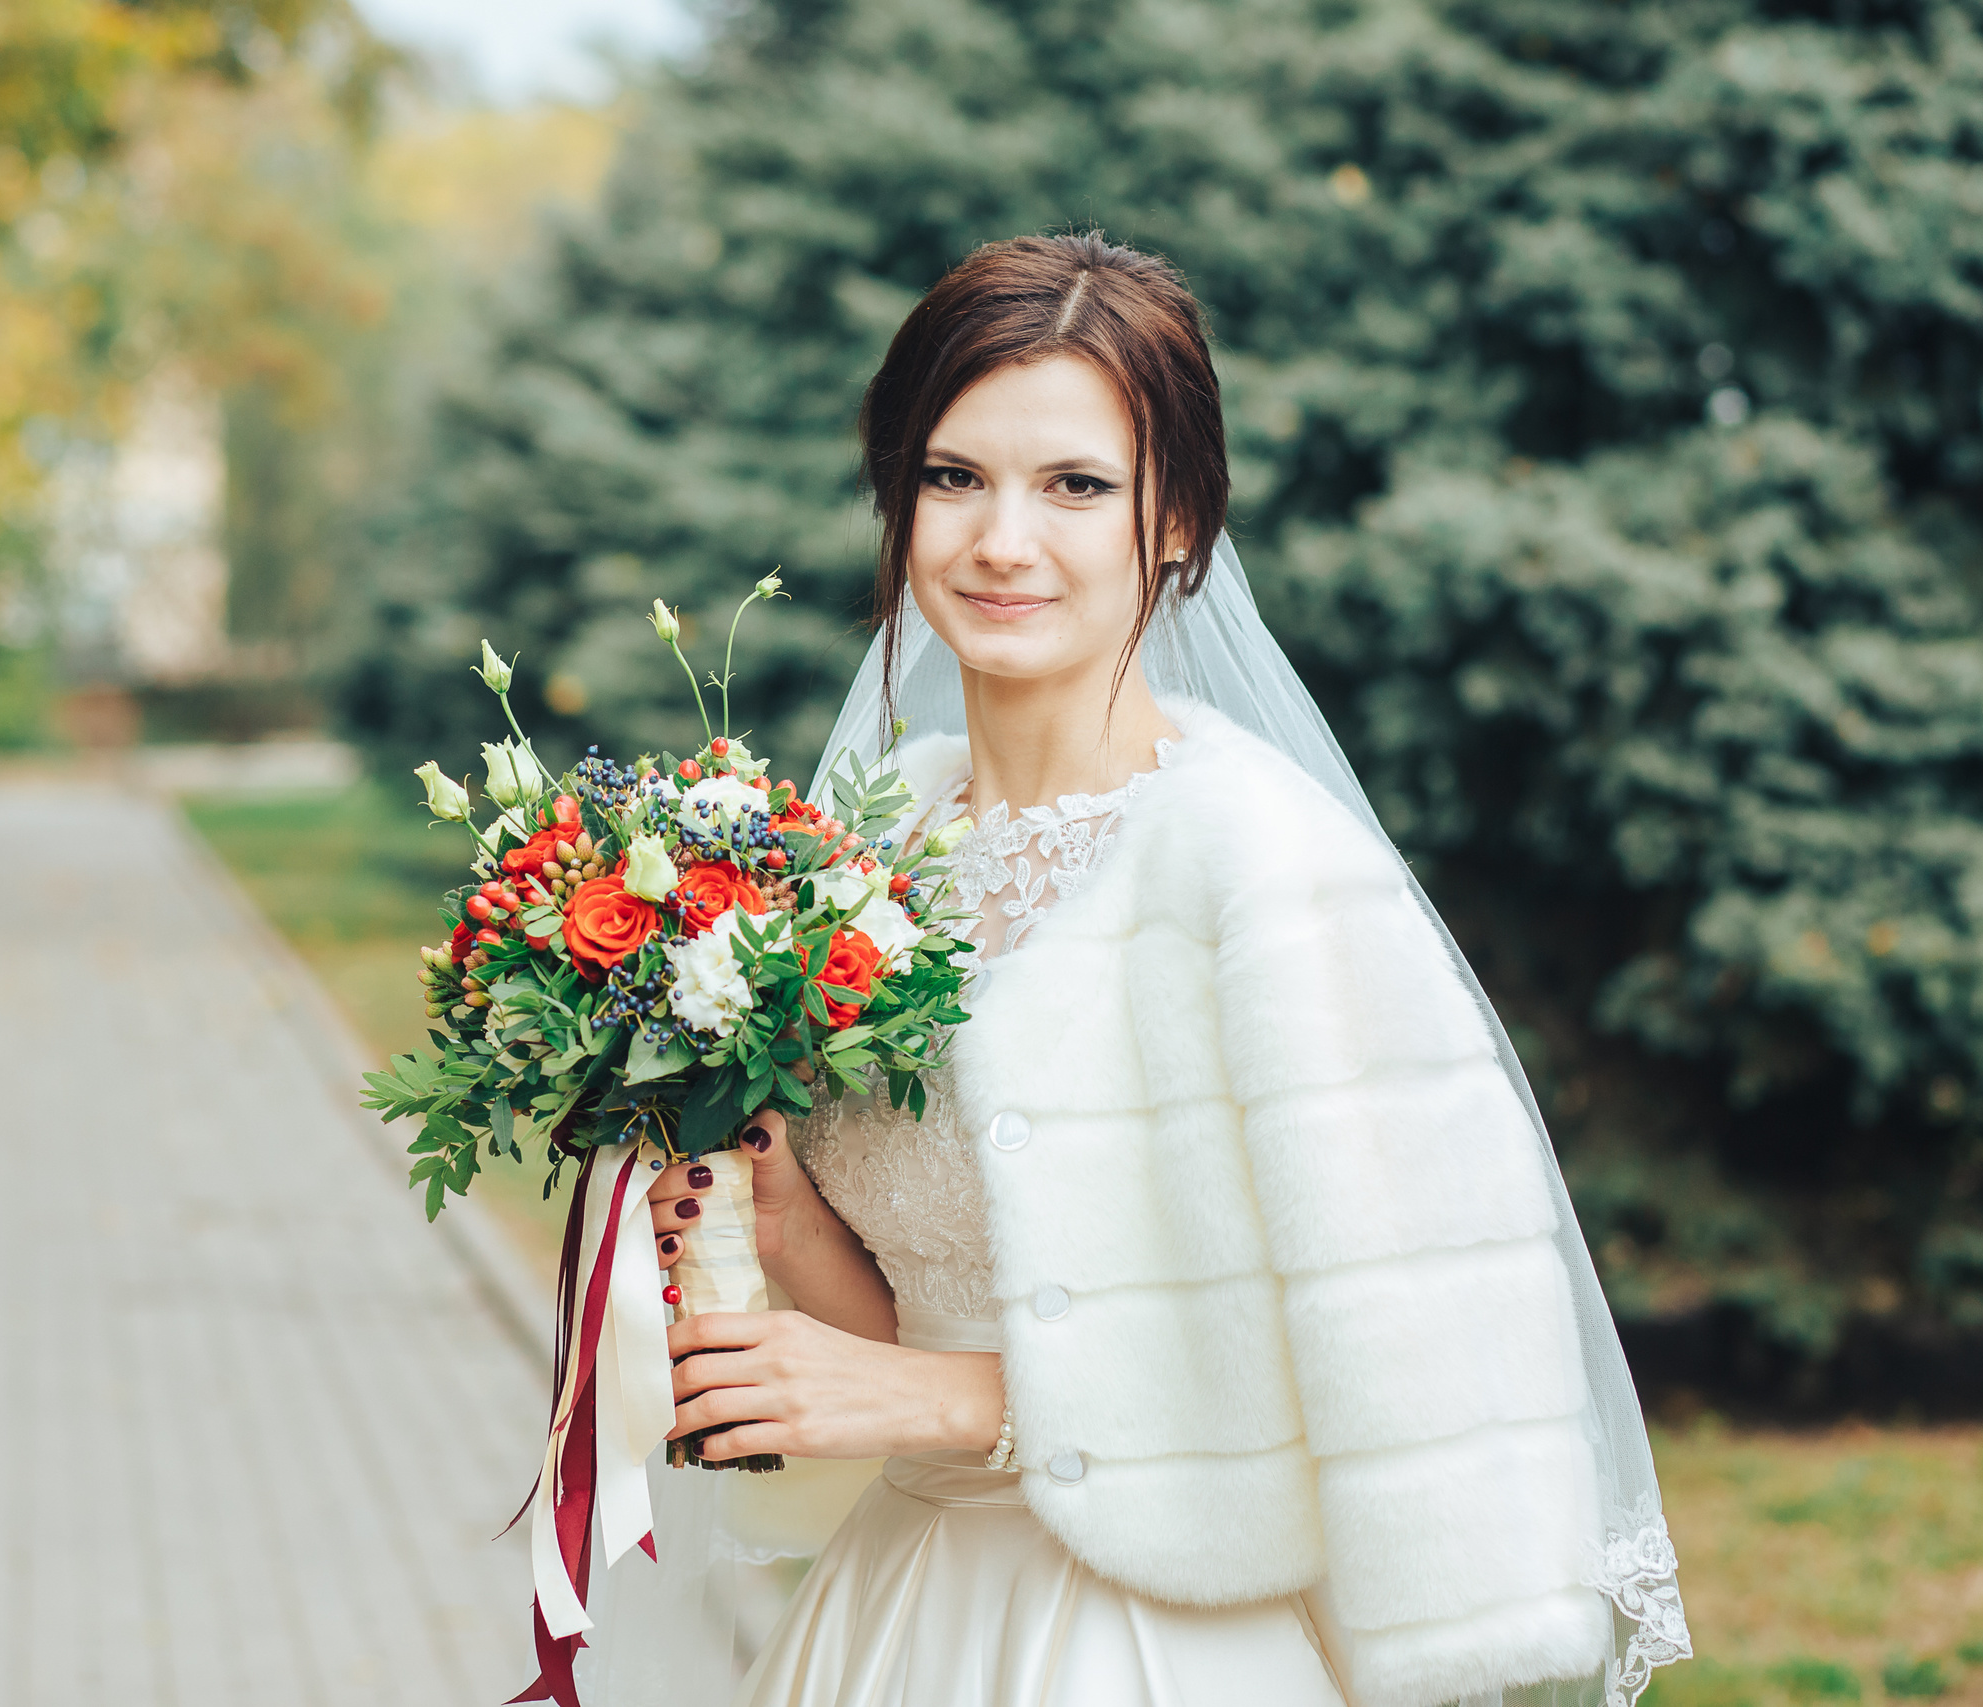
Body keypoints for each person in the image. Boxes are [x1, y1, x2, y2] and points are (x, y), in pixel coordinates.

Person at [631, 235, 1689, 1707]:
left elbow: (1392, 1378)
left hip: (1157, 1640)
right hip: (902, 1611)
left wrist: (946, 1396)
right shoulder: (865, 861)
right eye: (954, 477)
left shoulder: (1260, 864)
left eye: (1075, 485)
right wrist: (774, 1208)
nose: (1005, 540)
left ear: (1177, 518)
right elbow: (911, 1311)